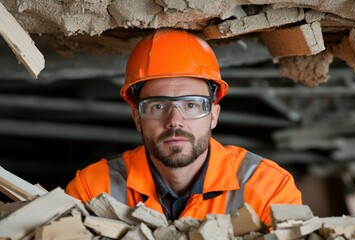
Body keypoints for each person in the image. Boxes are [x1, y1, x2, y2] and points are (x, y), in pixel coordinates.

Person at [65, 28, 302, 225]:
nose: (175, 121)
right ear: (137, 117)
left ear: (213, 115)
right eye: (157, 106)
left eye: (191, 105)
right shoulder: (93, 187)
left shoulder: (268, 187)